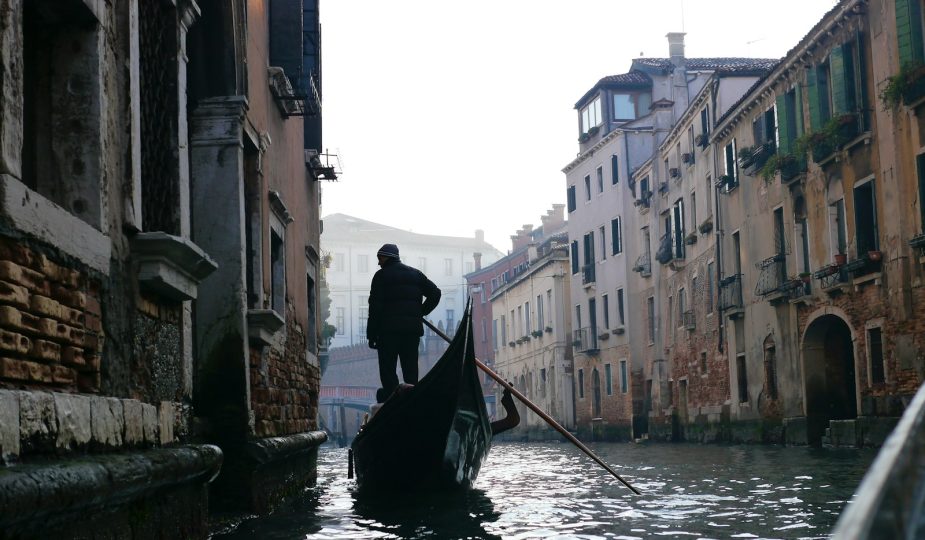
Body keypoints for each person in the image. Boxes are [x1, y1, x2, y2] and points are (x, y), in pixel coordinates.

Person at [367, 243, 441, 398]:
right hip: (411, 332)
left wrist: (371, 335)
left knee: (388, 371)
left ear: (386, 257)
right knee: (411, 370)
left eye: (379, 258)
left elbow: (375, 308)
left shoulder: (380, 276)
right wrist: (419, 313)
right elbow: (435, 293)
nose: (378, 262)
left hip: (388, 333)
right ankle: (411, 403)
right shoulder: (416, 274)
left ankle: (393, 401)